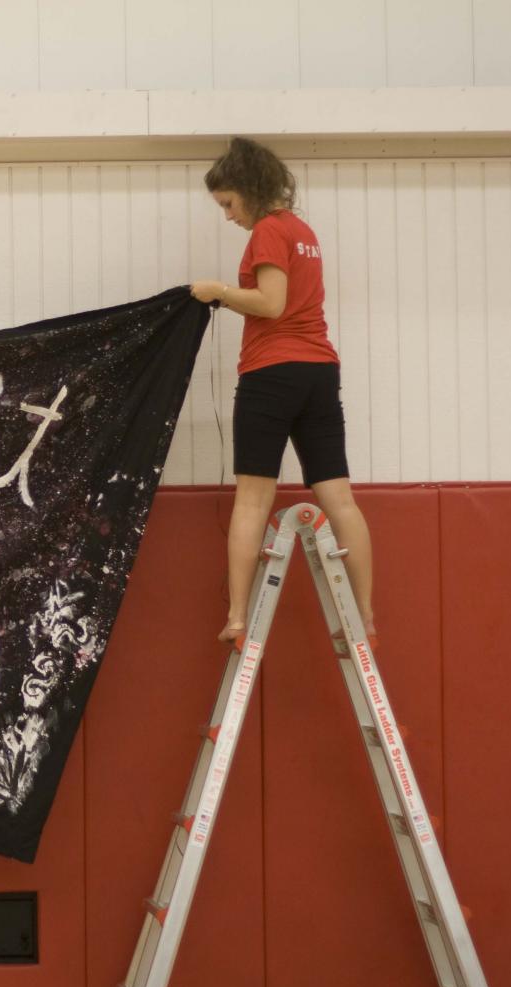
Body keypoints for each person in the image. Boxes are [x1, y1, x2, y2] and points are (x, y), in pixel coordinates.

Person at [189, 137, 375, 647]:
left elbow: (271, 304)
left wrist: (219, 292)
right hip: (319, 371)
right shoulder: (303, 231)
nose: (228, 216)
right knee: (338, 496)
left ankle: (237, 616)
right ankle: (364, 616)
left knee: (252, 500)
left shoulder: (269, 232)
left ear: (250, 189)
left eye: (228, 203)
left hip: (273, 372)